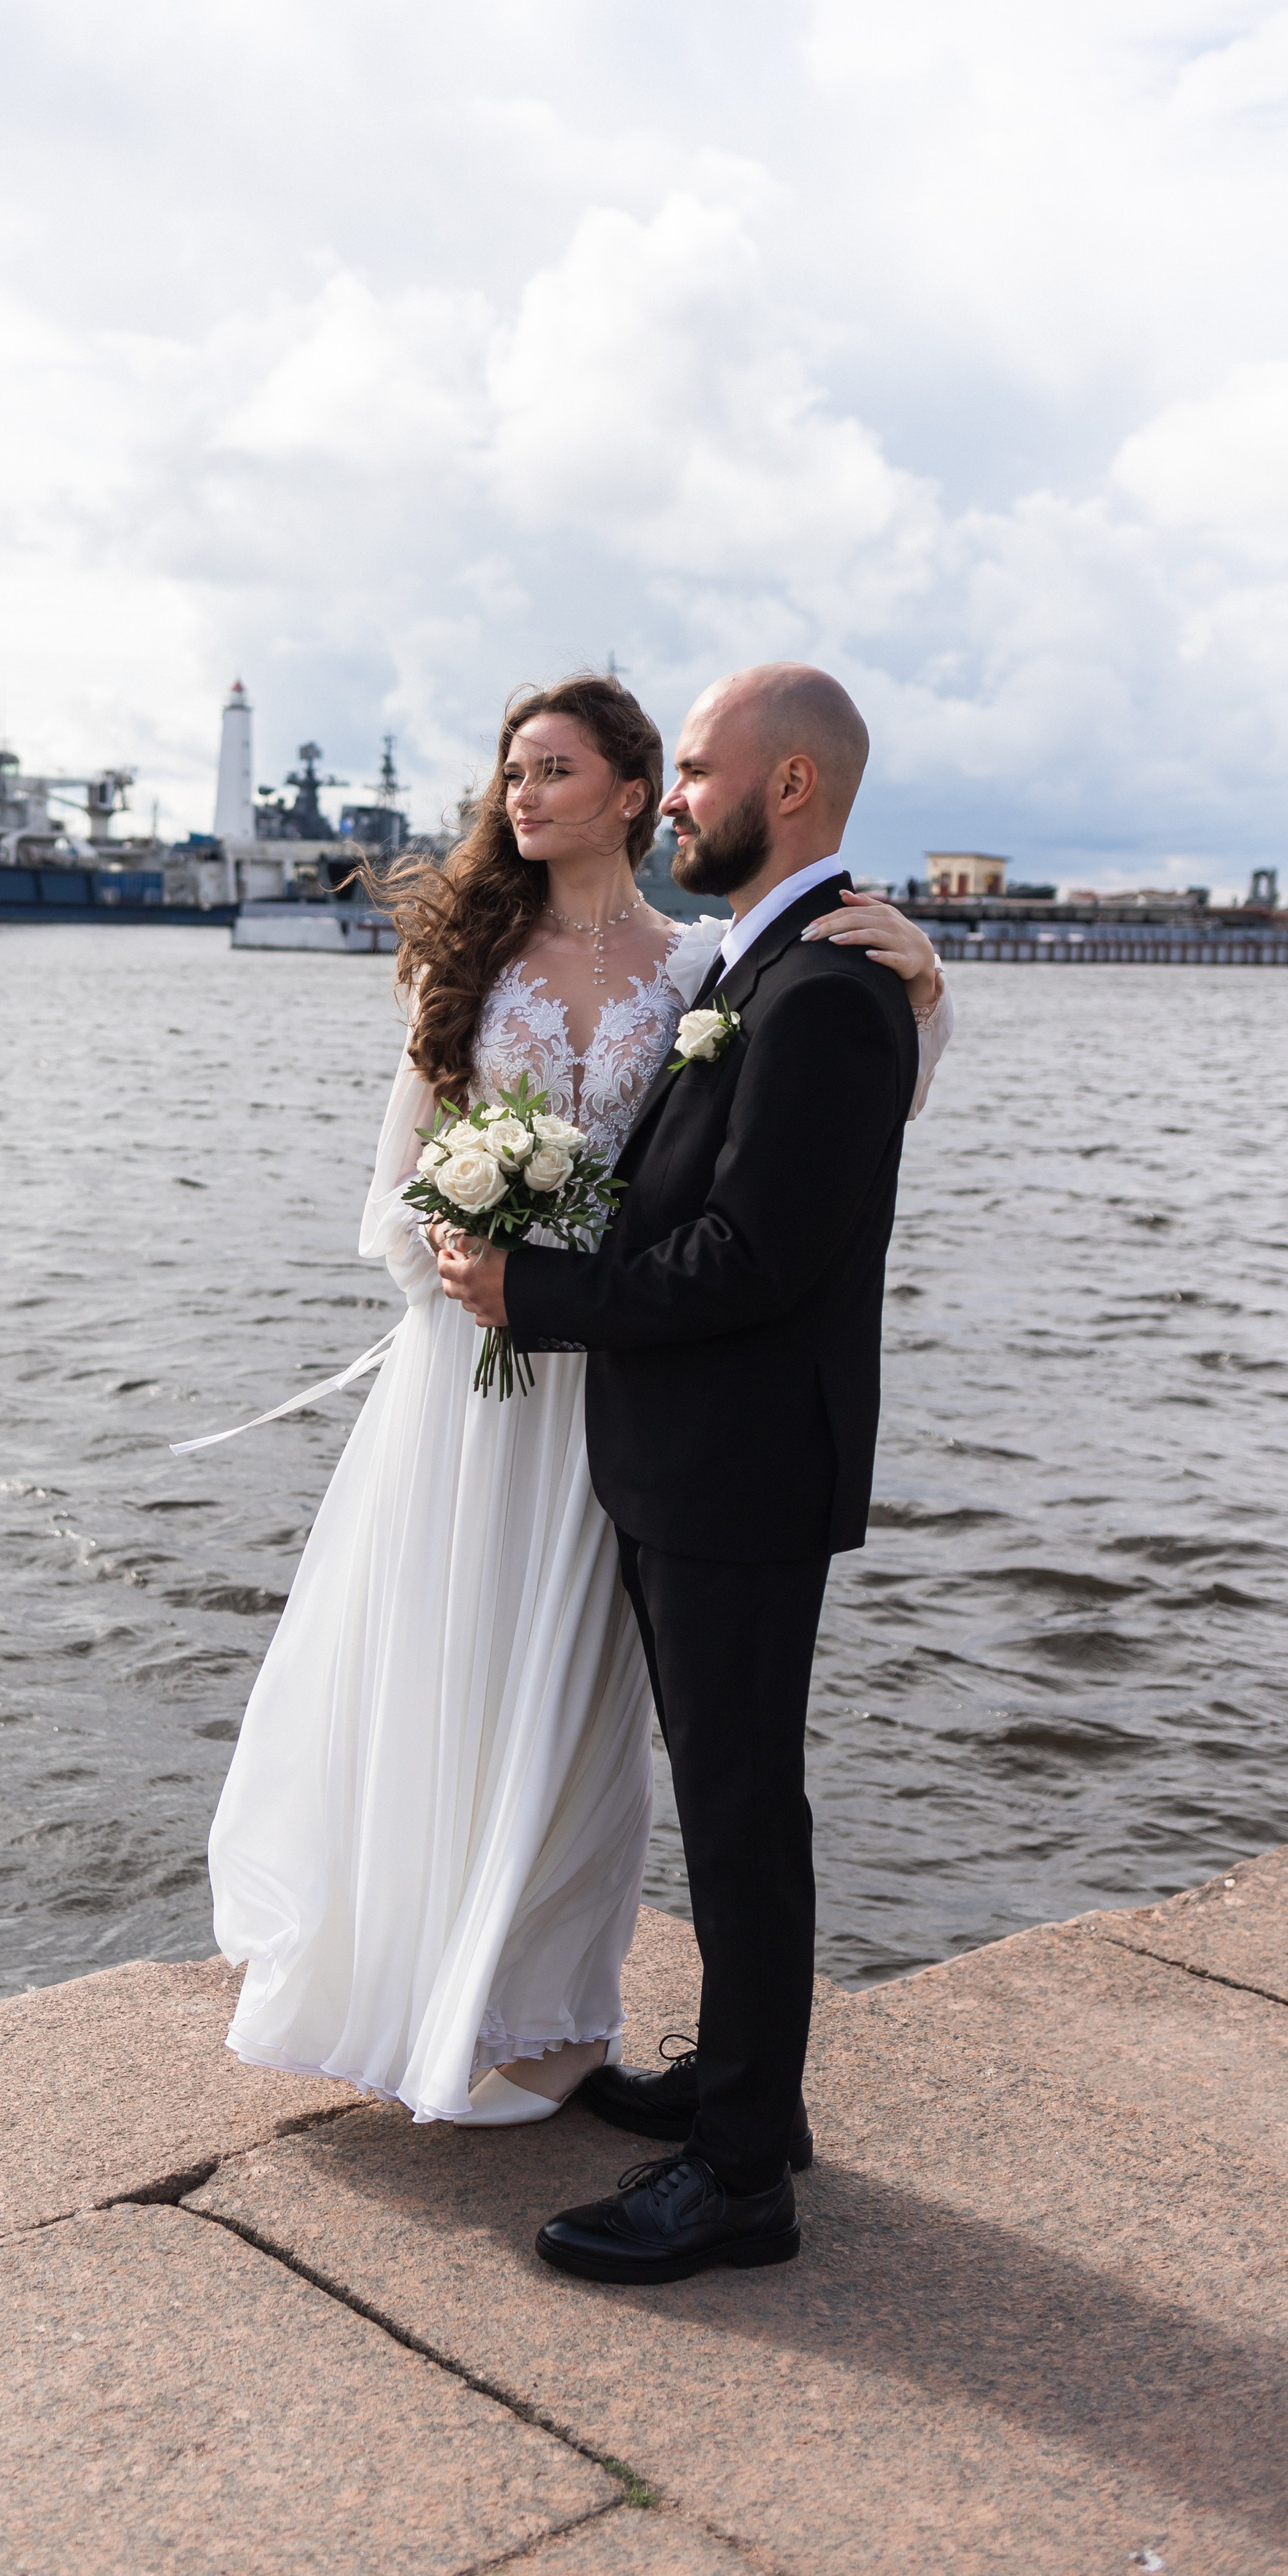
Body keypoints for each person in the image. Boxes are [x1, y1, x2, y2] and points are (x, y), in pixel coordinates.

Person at [209, 669, 949, 2156]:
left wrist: (927, 982)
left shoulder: (709, 972)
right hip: (479, 1391)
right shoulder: (460, 969)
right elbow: (397, 1197)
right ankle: (418, 1993)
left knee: (585, 1726)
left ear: (626, 791)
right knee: (443, 1679)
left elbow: (812, 1137)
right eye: (508, 773)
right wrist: (473, 1258)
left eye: (557, 769)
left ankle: (543, 2009)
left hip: (625, 1394)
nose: (520, 796)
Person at [437, 661, 927, 2283]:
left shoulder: (826, 989)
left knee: (735, 1814)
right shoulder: (771, 962)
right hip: (689, 1463)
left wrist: (534, 1296)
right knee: (728, 1805)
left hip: (734, 1473)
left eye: (700, 770)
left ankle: (737, 2183)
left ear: (786, 787)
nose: (679, 796)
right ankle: (743, 2100)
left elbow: (741, 1261)